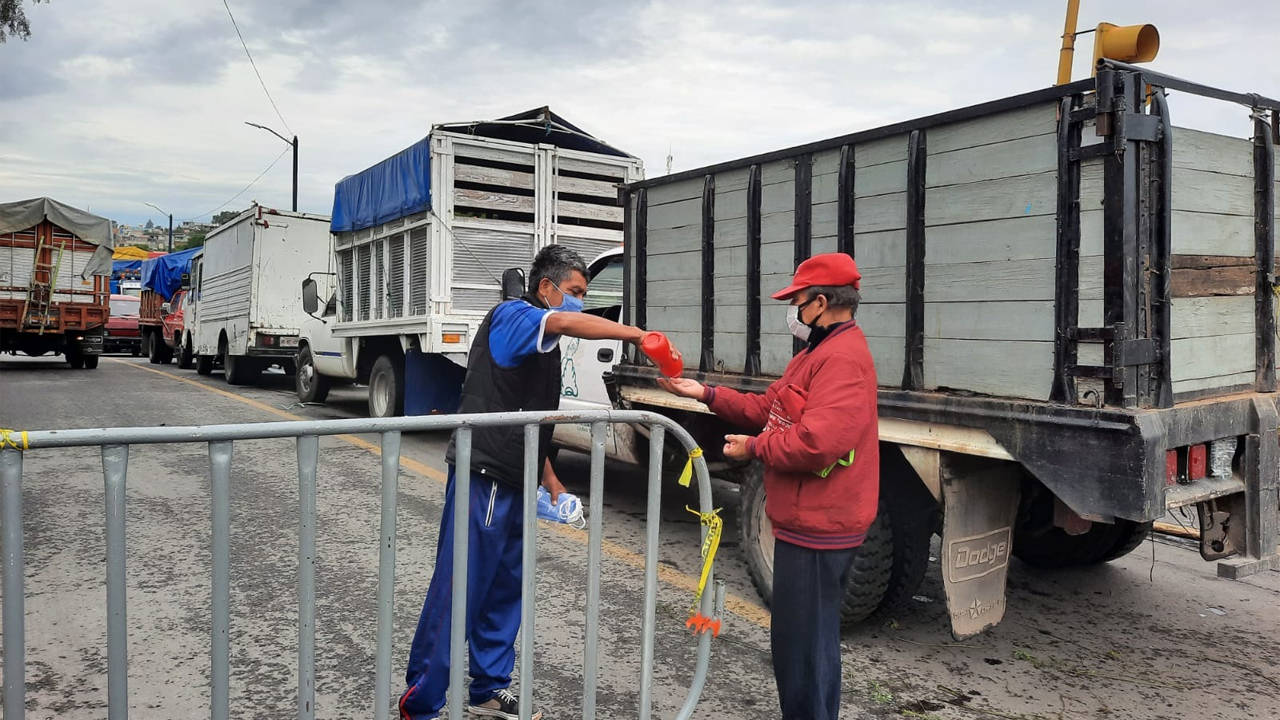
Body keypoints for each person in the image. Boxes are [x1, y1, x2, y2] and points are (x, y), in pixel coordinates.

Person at [400, 245, 666, 720]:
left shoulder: (537, 339)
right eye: (576, 292)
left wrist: (553, 483)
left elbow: (528, 418)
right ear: (547, 288)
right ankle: (420, 701)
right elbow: (564, 324)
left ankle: (487, 689)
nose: (579, 303)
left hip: (517, 479)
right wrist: (637, 334)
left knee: (505, 591)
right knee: (461, 587)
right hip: (485, 478)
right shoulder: (513, 316)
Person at [658, 253, 878, 720]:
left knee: (802, 652)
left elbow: (817, 443)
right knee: (807, 645)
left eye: (798, 302)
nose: (794, 313)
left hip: (819, 525)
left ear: (821, 303)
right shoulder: (816, 354)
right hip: (807, 520)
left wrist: (755, 449)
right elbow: (769, 408)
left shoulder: (842, 358)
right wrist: (706, 394)